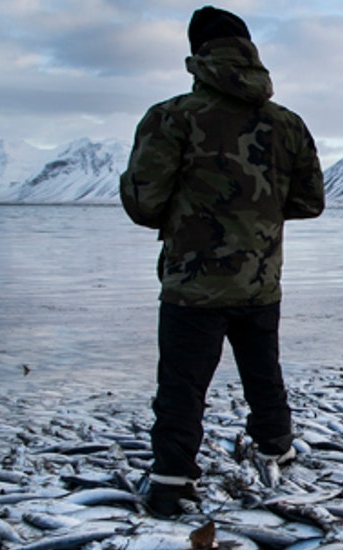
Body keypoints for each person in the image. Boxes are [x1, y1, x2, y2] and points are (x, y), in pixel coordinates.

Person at [120, 5, 324, 517]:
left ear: (197, 54)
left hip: (193, 282)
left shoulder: (172, 117)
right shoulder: (288, 124)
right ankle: (277, 447)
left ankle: (171, 481)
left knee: (183, 384)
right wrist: (255, 220)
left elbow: (144, 204)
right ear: (249, 50)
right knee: (263, 371)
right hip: (260, 279)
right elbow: (309, 202)